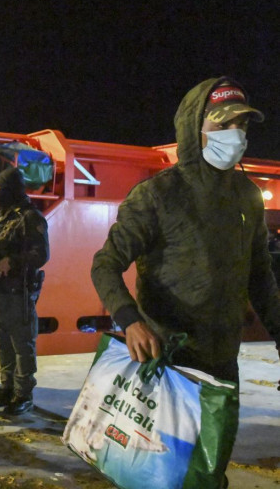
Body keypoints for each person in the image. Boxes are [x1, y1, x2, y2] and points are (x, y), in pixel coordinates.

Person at [91, 77, 280, 483]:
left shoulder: (247, 196)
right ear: (195, 130)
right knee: (159, 473)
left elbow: (260, 276)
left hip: (222, 364)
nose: (237, 136)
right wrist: (131, 321)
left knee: (210, 471)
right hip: (168, 363)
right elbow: (105, 263)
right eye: (224, 125)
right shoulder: (157, 195)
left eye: (242, 126)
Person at [0, 167, 49, 415]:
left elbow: (41, 254)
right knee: (3, 343)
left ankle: (23, 394)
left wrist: (12, 262)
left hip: (20, 292)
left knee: (22, 344)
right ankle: (7, 388)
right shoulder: (4, 217)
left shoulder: (30, 217)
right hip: (1, 292)